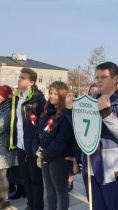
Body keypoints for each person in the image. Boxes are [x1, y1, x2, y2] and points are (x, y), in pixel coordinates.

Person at [66, 62, 118, 210]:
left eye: (103, 77)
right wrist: (69, 111)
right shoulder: (90, 101)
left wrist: (106, 113)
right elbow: (79, 129)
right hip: (91, 166)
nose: (98, 80)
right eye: (97, 76)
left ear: (115, 79)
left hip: (113, 169)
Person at [32, 81, 75, 210]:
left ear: (62, 96)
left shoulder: (66, 115)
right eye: (51, 93)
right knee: (49, 190)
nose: (52, 96)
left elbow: (61, 141)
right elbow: (37, 133)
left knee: (60, 190)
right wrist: (36, 149)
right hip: (46, 156)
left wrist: (44, 153)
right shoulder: (46, 112)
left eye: (56, 94)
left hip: (60, 158)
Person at [9, 68, 46, 210]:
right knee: (25, 179)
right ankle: (30, 205)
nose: (19, 79)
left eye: (23, 78)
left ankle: (37, 206)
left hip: (33, 144)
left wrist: (40, 144)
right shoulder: (17, 97)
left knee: (35, 180)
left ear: (31, 82)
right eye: (19, 76)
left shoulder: (38, 98)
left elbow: (43, 121)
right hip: (20, 144)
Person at [0, 85, 15, 210]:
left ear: (3, 97)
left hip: (0, 150)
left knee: (0, 176)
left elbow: (0, 128)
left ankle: (3, 200)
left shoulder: (6, 111)